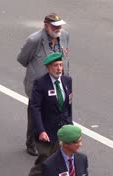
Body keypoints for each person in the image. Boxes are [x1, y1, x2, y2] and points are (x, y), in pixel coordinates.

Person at [22, 52, 73, 176]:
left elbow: (68, 105)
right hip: (46, 132)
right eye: (55, 66)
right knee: (43, 164)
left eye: (60, 65)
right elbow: (35, 109)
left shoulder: (67, 81)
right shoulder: (40, 84)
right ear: (48, 68)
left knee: (64, 163)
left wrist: (69, 125)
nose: (59, 68)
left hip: (63, 131)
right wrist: (40, 130)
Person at [17, 13, 70, 157]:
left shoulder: (64, 36)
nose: (58, 28)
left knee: (58, 111)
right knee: (36, 112)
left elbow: (65, 57)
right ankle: (31, 142)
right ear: (46, 26)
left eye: (59, 26)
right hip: (39, 84)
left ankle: (54, 139)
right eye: (54, 26)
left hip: (58, 80)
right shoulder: (35, 40)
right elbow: (23, 59)